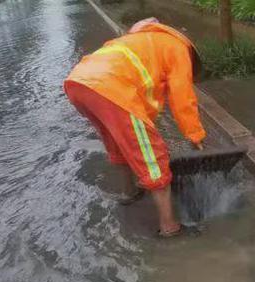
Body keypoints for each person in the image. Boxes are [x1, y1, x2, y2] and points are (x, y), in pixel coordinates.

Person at [63, 18, 206, 238]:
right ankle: (170, 227)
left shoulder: (140, 41)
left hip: (79, 83)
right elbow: (182, 97)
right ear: (191, 52)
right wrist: (194, 134)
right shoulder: (178, 48)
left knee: (117, 141)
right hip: (112, 88)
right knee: (152, 155)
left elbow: (143, 94)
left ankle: (129, 192)